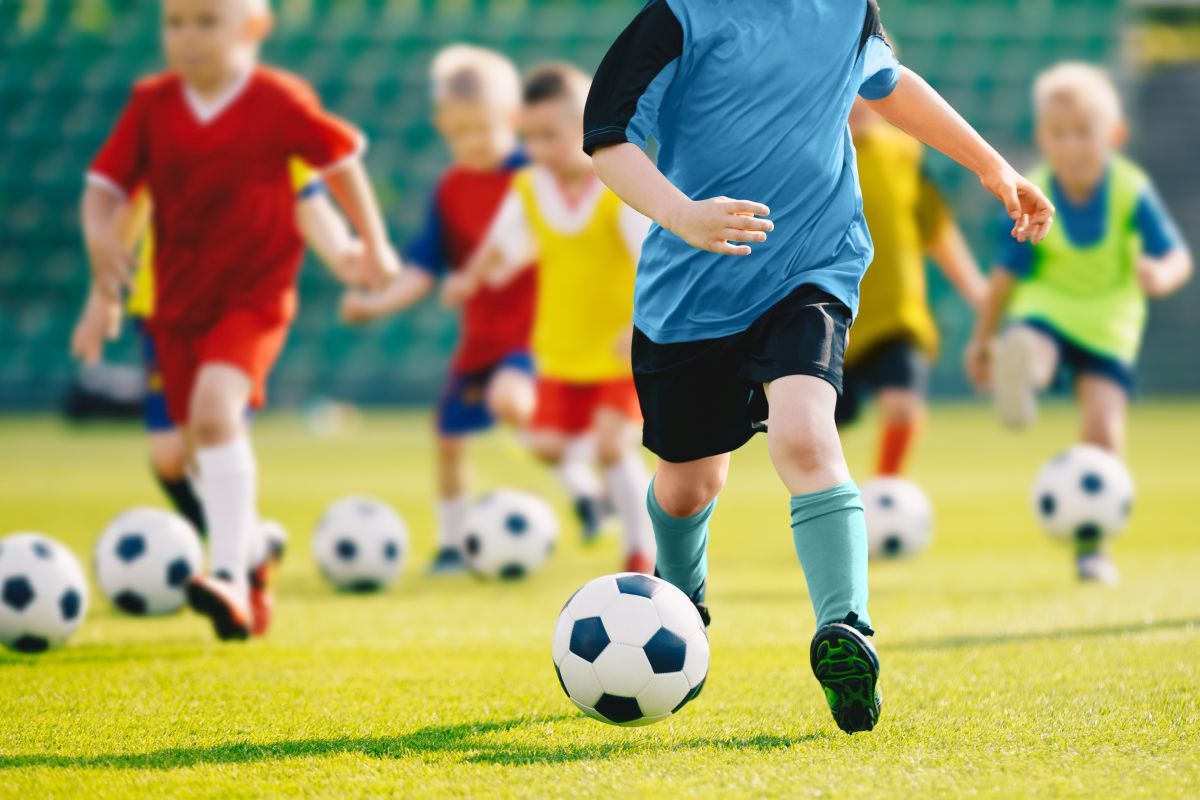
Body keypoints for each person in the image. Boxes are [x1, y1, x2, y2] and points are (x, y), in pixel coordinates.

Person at [582, 0, 1054, 734]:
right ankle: (681, 598)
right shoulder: (677, 17)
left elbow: (889, 82)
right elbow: (607, 139)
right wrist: (682, 215)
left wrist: (994, 168)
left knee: (805, 436)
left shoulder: (848, 10)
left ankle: (847, 629)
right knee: (688, 485)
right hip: (690, 292)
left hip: (811, 268)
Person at [81, 0, 398, 641]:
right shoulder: (153, 106)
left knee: (213, 414)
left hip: (252, 300)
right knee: (180, 454)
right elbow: (115, 197)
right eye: (175, 23)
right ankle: (252, 551)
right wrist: (103, 282)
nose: (187, 36)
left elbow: (319, 189)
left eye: (206, 21)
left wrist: (364, 248)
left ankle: (226, 572)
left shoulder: (277, 105)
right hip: (171, 307)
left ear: (253, 28)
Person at [965, 62, 1192, 584]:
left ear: (1114, 136)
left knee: (1103, 430)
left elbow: (1178, 257)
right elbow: (1004, 276)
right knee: (1033, 345)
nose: (1071, 146)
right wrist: (983, 340)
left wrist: (1160, 274)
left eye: (1083, 133)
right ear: (1043, 140)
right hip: (1048, 308)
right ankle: (1023, 376)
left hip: (1110, 325)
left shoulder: (1131, 191)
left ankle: (1093, 544)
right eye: (1059, 135)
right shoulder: (1033, 193)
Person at [72, 162, 365, 545]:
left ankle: (238, 554)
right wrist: (104, 291)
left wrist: (344, 253)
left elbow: (311, 203)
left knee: (216, 426)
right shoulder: (161, 131)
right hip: (165, 306)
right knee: (169, 457)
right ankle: (242, 540)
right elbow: (129, 208)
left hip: (242, 304)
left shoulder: (279, 130)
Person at [340, 44, 549, 574]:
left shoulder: (539, 177)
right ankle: (453, 545)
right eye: (460, 133)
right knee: (449, 438)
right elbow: (422, 270)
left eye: (483, 128)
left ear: (513, 118)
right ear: (442, 126)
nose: (472, 142)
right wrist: (376, 305)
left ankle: (589, 491)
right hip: (481, 339)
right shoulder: (450, 189)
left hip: (542, 334)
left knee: (514, 403)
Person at [451, 63, 656, 575]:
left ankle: (641, 552)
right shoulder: (529, 188)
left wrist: (637, 325)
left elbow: (653, 263)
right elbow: (502, 246)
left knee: (612, 445)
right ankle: (596, 497)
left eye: (550, 135)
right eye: (530, 137)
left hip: (620, 348)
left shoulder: (619, 187)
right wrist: (471, 277)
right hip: (560, 349)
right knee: (544, 446)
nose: (538, 149)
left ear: (586, 127)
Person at [839, 98, 987, 476]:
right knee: (820, 424)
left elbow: (936, 229)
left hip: (896, 316)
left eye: (867, 87)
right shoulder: (813, 155)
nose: (858, 101)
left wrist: (978, 291)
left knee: (902, 406)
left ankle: (886, 488)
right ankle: (828, 495)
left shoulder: (905, 153)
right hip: (832, 315)